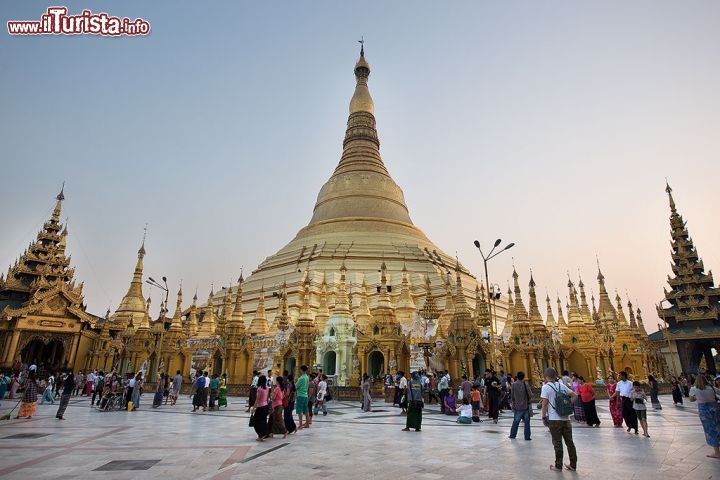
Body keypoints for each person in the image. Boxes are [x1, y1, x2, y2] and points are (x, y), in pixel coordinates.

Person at [540, 368, 578, 472]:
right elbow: (575, 395)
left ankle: (558, 466)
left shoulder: (546, 387)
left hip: (554, 419)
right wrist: (567, 404)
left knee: (557, 443)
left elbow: (544, 403)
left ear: (546, 377)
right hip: (566, 419)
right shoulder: (562, 385)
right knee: (570, 442)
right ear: (556, 375)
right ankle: (573, 465)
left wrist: (543, 417)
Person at [689, 375, 720, 459]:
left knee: (710, 430)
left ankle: (717, 452)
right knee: (718, 428)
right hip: (715, 410)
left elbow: (691, 399)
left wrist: (698, 397)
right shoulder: (711, 388)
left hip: (704, 412)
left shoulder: (694, 389)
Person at [509, 371, 533, 440]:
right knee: (527, 422)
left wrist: (513, 405)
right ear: (523, 377)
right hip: (525, 406)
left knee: (516, 421)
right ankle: (527, 436)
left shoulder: (513, 384)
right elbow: (531, 395)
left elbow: (512, 396)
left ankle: (513, 435)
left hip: (517, 406)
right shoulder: (526, 384)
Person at [252, 375, 270, 441]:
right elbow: (267, 397)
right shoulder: (267, 388)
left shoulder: (259, 388)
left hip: (260, 407)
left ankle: (261, 434)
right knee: (263, 421)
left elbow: (257, 399)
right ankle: (263, 434)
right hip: (265, 406)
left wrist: (253, 407)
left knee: (256, 422)